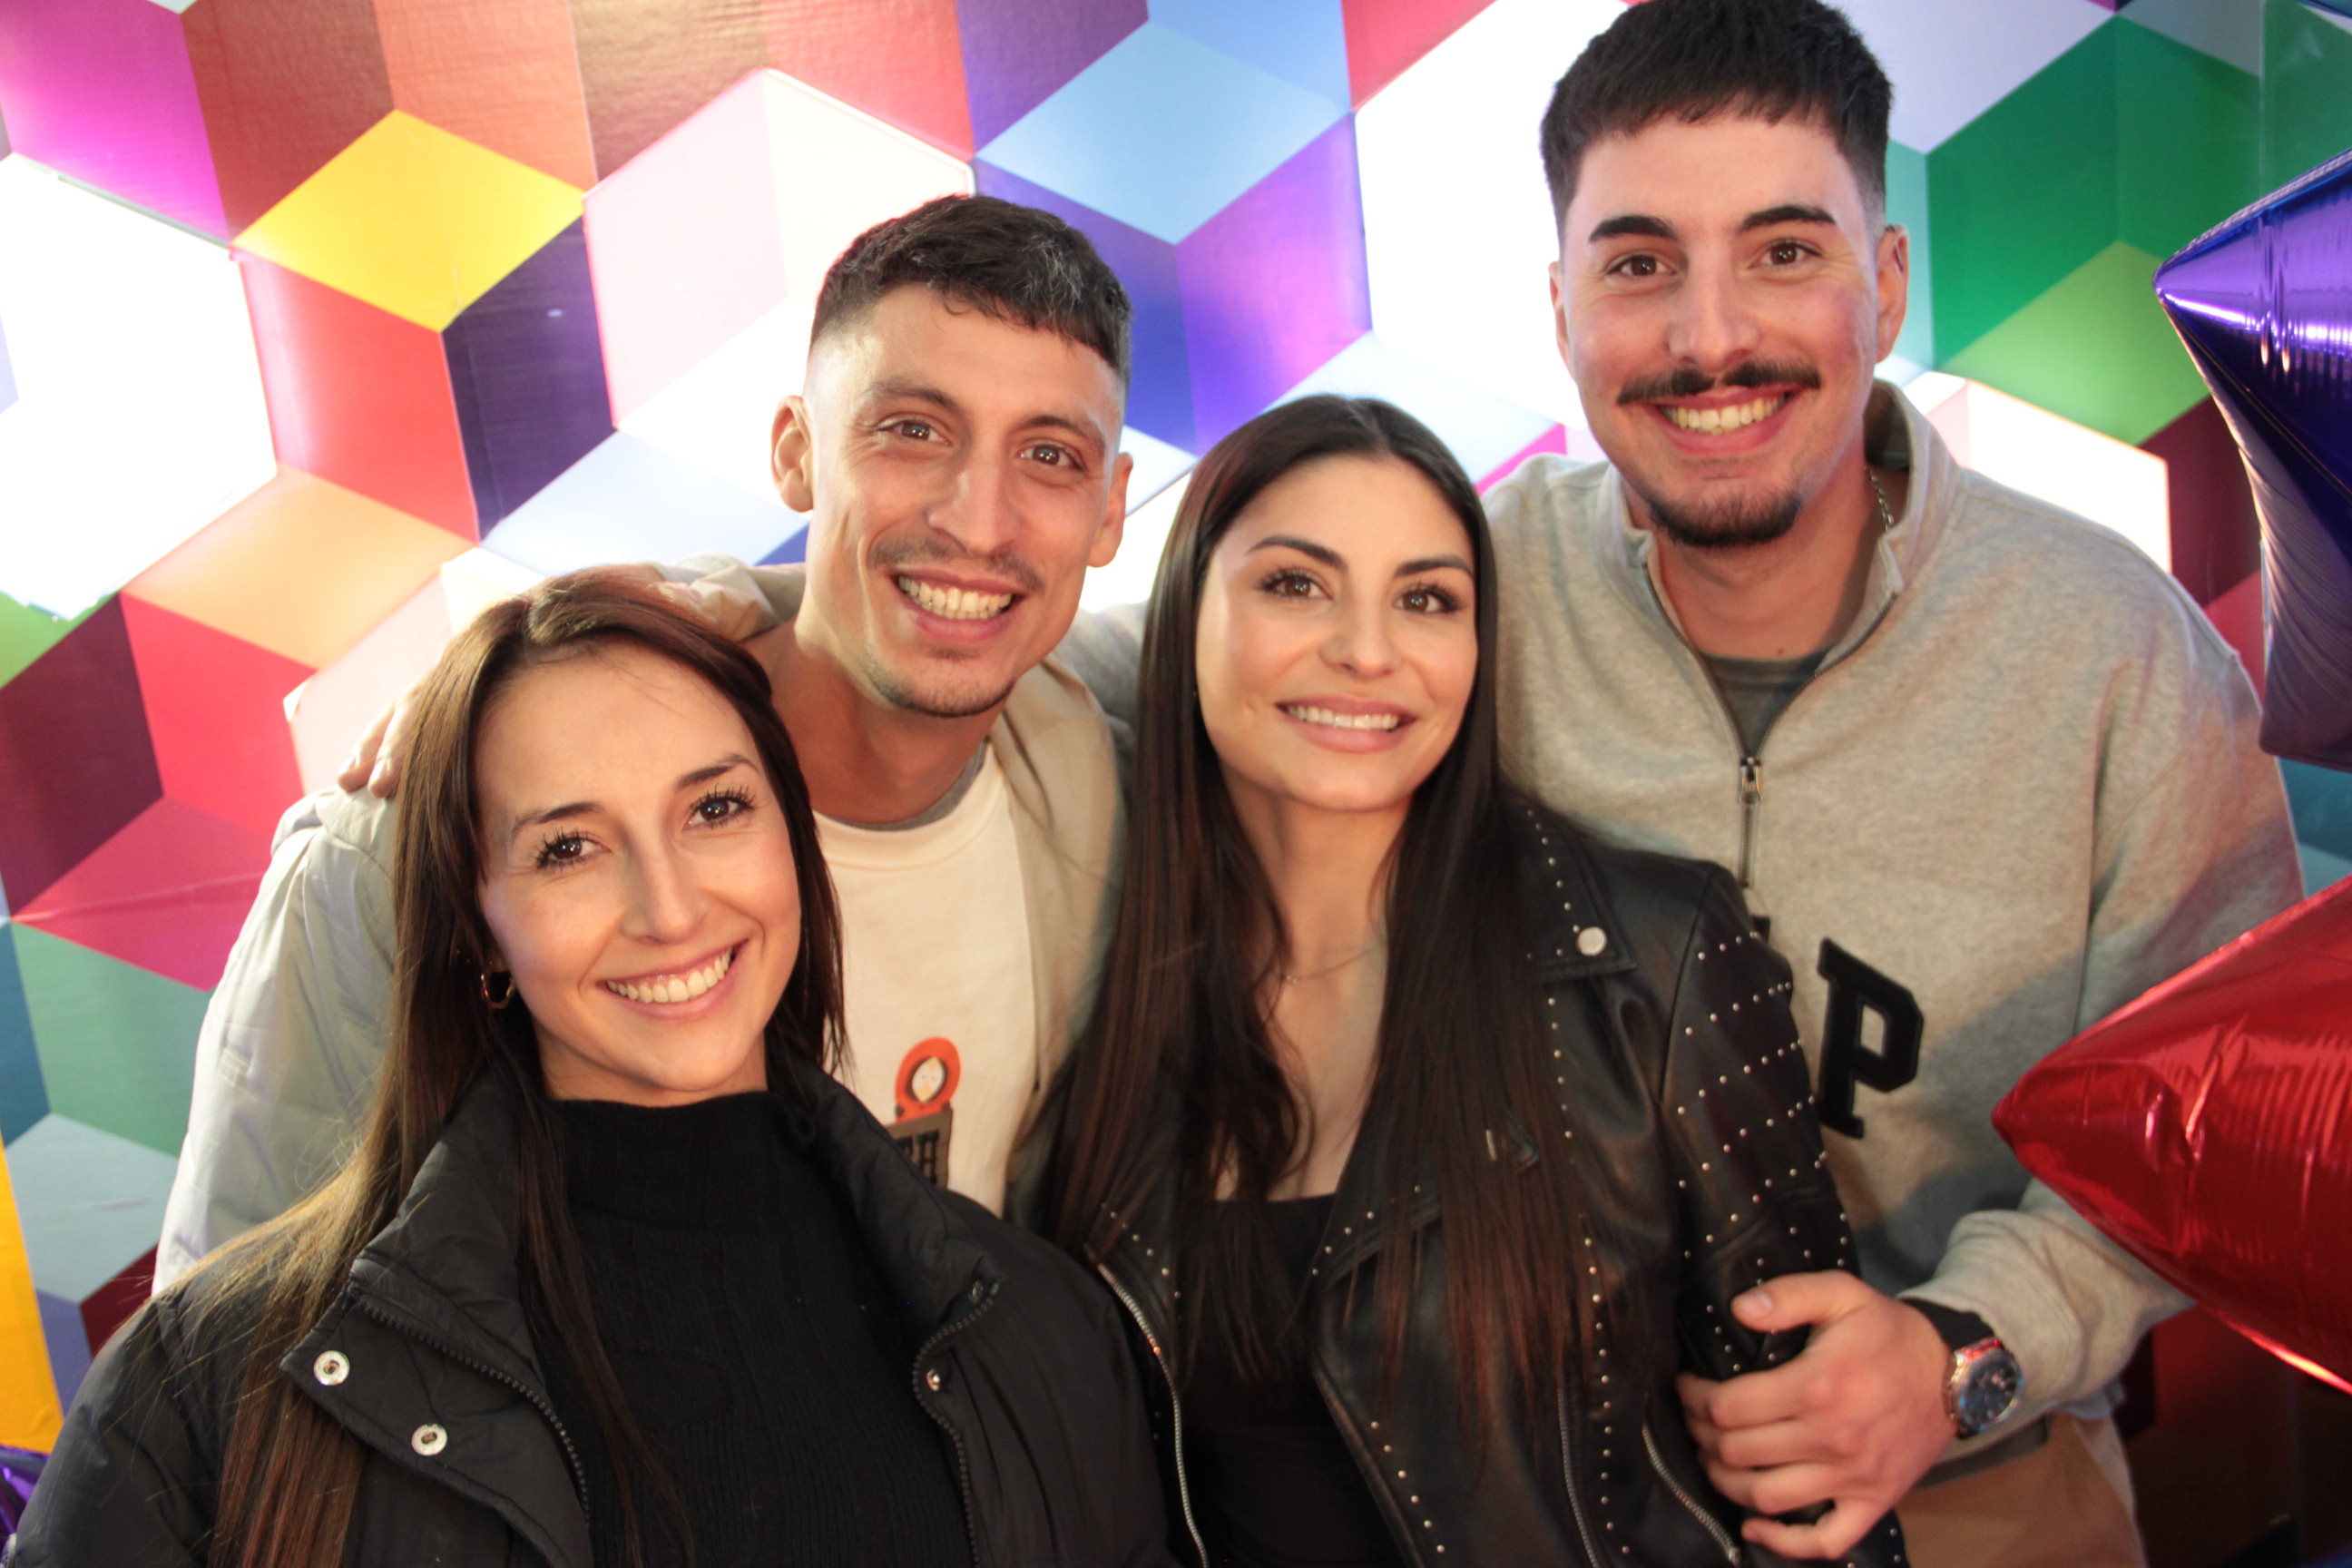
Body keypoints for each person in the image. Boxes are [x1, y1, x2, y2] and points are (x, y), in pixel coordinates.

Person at [1489, 2, 2298, 1562]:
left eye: (1784, 251)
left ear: (1890, 279)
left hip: (1982, 1487)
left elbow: (2223, 1124)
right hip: (1536, 1499)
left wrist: (1958, 1350)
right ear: (1561, 303)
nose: (1708, 337)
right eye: (1639, 263)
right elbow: (1112, 682)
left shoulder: (2117, 652)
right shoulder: (1450, 592)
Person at [18, 575, 1172, 1567]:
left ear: (795, 842)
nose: (669, 909)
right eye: (568, 847)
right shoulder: (205, 1385)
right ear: (477, 923)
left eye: (716, 809)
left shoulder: (1048, 1337)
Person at [157, 192, 1134, 1285]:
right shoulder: (417, 835)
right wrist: (534, 655)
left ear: (1111, 511)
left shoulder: (1099, 788)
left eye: (1050, 455)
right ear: (798, 452)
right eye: (912, 430)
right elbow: (228, 1324)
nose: (978, 520)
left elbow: (1256, 644)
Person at [1041, 395, 1905, 1566]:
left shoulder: (1653, 960)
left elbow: (1819, 1481)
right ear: (1184, 612)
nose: (1367, 650)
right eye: (1295, 584)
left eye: (1427, 599)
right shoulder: (1092, 962)